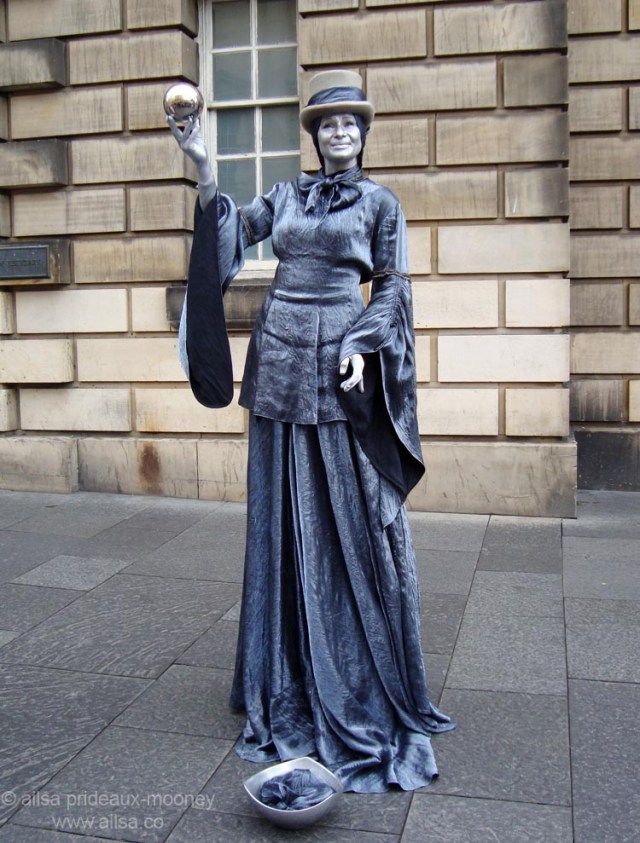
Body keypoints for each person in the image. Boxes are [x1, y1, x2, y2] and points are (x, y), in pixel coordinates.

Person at [169, 69, 454, 794]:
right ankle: (284, 667)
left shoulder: (381, 203)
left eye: (348, 125)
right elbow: (236, 230)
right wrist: (203, 166)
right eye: (326, 125)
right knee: (277, 517)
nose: (337, 134)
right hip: (277, 356)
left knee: (348, 517)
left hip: (338, 360)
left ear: (363, 133)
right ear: (315, 136)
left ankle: (352, 665)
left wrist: (364, 343)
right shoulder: (288, 195)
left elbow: (392, 285)